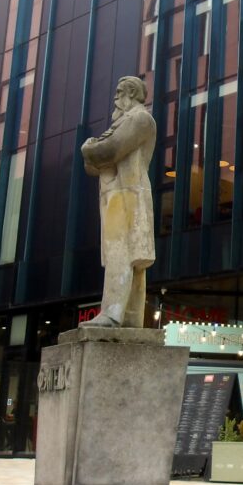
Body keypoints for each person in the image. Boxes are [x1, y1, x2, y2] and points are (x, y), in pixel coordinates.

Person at [79, 77, 157, 328]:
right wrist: (94, 153)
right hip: (116, 193)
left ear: (131, 92)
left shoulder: (140, 119)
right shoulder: (125, 121)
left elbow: (109, 151)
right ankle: (131, 318)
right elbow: (92, 166)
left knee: (121, 253)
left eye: (118, 92)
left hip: (127, 194)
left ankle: (112, 313)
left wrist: (88, 148)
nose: (115, 98)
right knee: (126, 255)